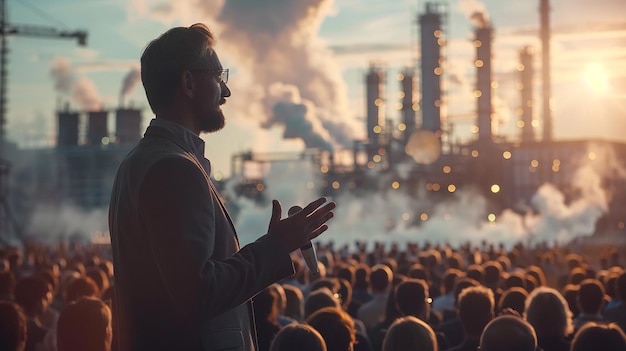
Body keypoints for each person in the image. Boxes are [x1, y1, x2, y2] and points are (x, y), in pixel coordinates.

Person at [108, 23, 336, 351]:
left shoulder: (142, 162)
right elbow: (197, 293)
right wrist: (276, 246)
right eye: (218, 76)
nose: (225, 92)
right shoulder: (174, 169)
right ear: (188, 82)